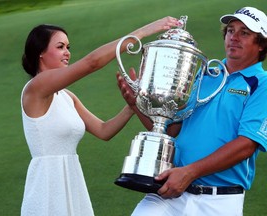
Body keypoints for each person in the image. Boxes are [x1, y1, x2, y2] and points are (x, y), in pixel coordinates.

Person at [20, 16, 181, 216]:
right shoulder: (36, 87)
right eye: (60, 47)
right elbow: (92, 63)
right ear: (40, 53)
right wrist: (141, 33)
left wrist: (132, 105)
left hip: (71, 178)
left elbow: (104, 131)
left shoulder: (67, 96)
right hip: (47, 183)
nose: (67, 53)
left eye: (68, 47)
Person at [117, 6, 267, 216]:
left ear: (261, 44)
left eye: (245, 33)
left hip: (219, 200)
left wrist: (189, 172)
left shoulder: (262, 84)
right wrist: (136, 104)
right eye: (231, 30)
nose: (234, 37)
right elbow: (171, 130)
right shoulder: (206, 74)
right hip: (169, 192)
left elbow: (246, 145)